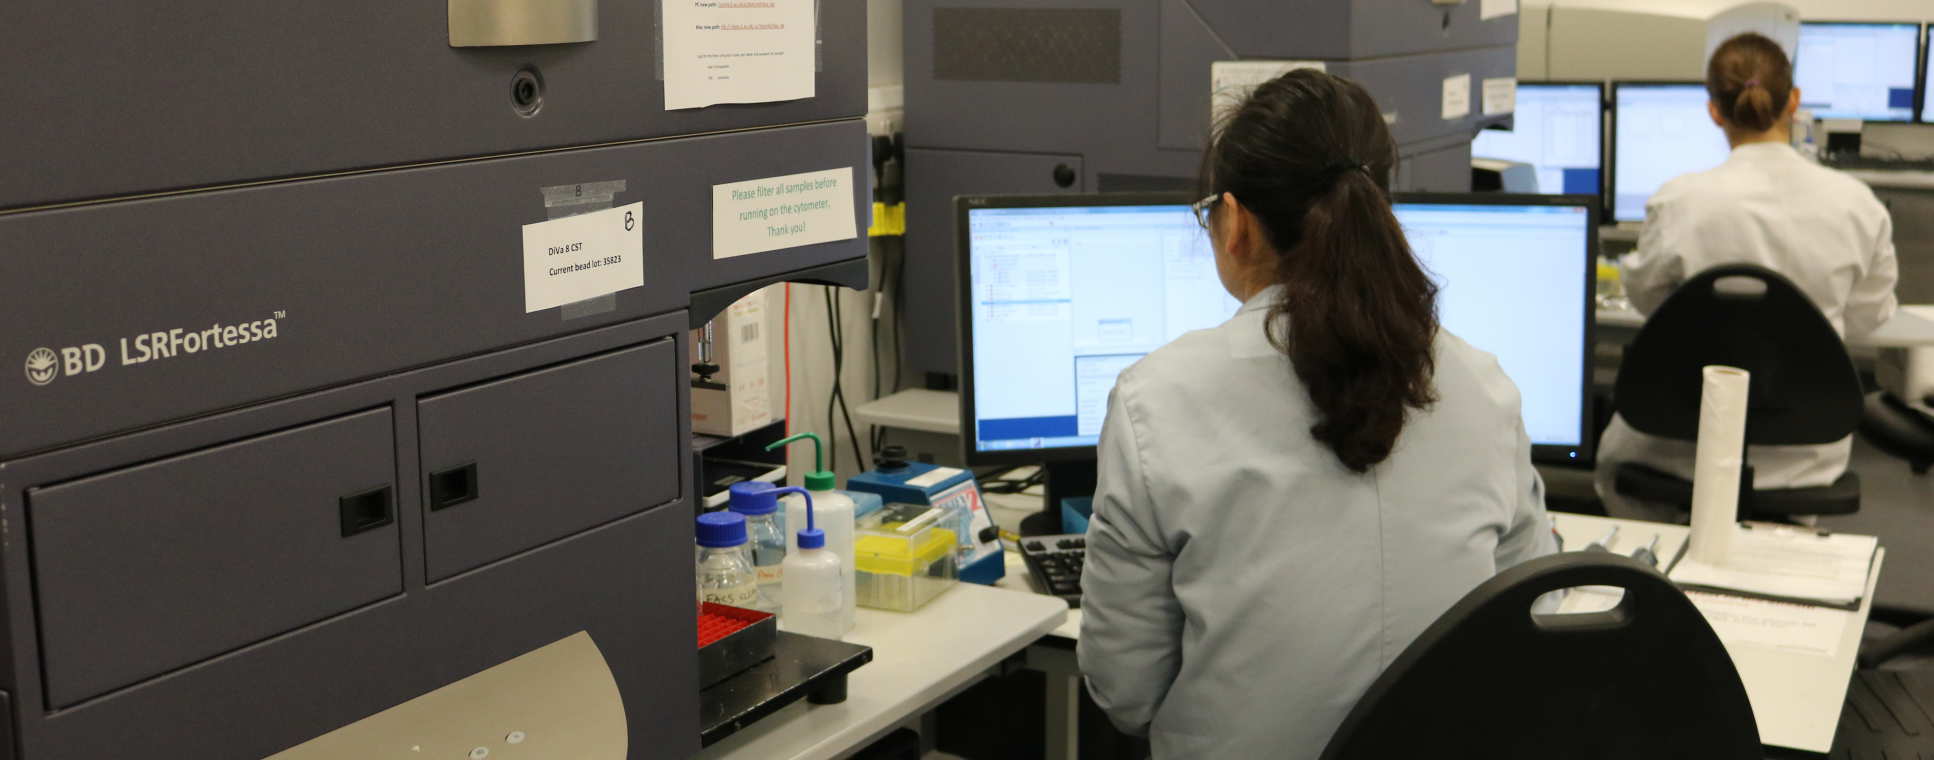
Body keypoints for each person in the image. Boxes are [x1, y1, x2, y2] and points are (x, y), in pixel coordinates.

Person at [1076, 69, 1558, 758]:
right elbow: (1529, 616)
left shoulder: (1157, 401)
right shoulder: (1484, 387)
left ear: (1234, 222)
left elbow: (1126, 691)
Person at [1596, 33, 1899, 522]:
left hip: (1674, 452)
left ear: (1714, 110)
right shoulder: (1857, 205)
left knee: (1610, 461)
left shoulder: (1681, 202)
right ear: (1794, 101)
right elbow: (1867, 323)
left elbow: (1648, 303)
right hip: (1805, 456)